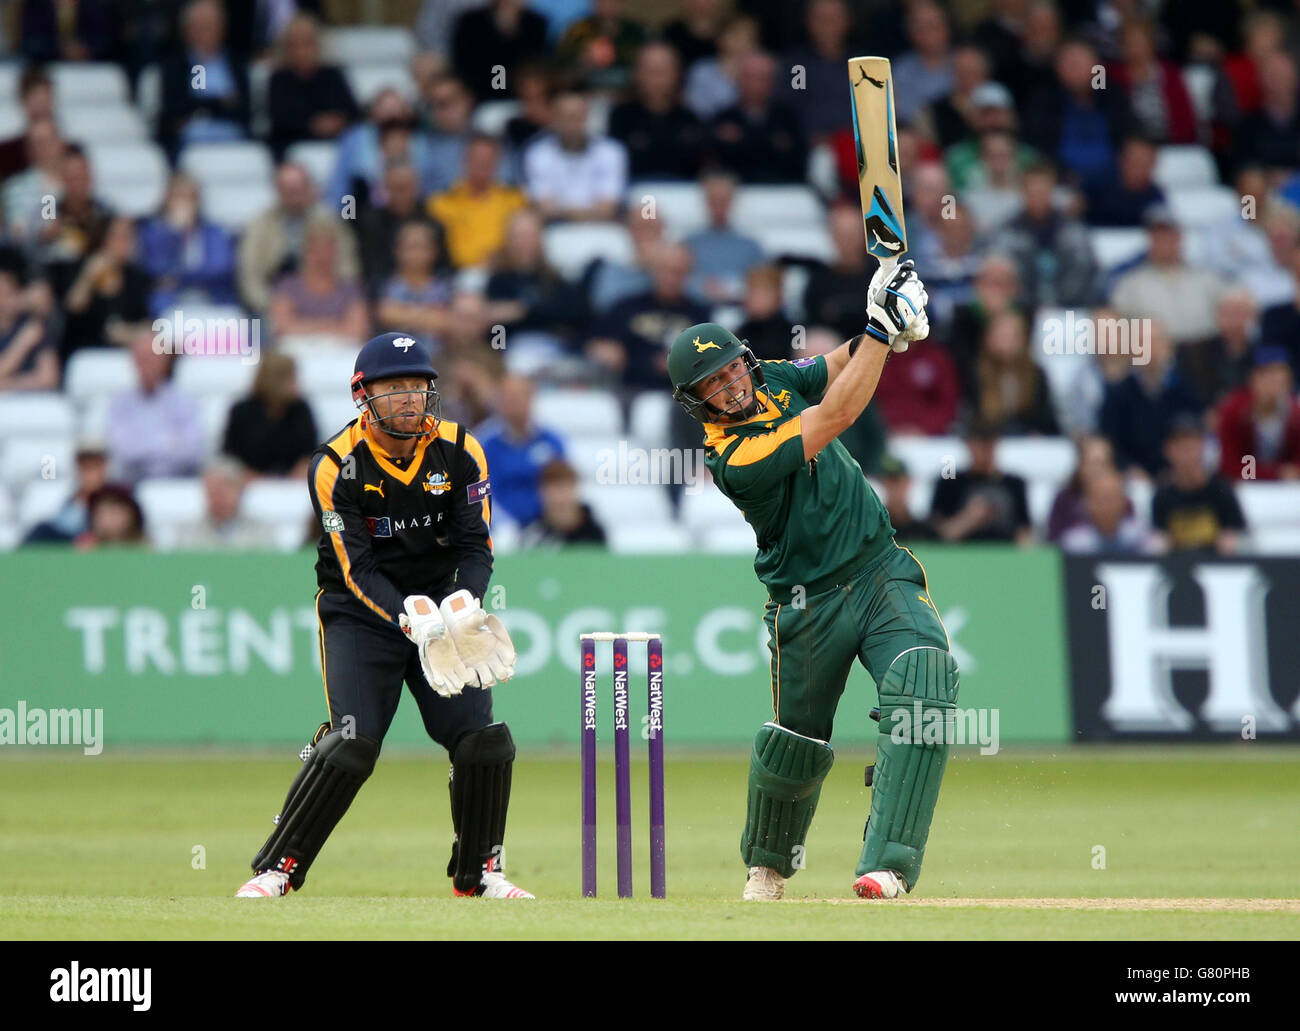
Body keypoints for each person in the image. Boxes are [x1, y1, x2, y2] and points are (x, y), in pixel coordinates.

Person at [665, 259, 957, 903]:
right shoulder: (733, 459)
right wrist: (881, 334)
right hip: (806, 602)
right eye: (715, 384)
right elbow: (834, 416)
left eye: (734, 368)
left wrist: (893, 323)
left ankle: (889, 866)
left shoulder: (769, 377)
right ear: (697, 402)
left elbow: (834, 365)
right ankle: (767, 866)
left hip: (879, 568)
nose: (734, 386)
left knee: (925, 682)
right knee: (797, 743)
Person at [236, 332, 529, 901]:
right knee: (352, 742)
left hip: (443, 612)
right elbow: (355, 568)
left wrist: (464, 600)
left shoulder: (462, 449)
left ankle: (479, 874)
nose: (408, 399)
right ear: (362, 397)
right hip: (361, 615)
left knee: (483, 740)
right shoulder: (334, 464)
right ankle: (279, 868)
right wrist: (404, 615)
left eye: (418, 387)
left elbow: (477, 545)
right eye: (393, 388)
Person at [475, 373, 567, 528]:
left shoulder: (551, 441)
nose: (513, 403)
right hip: (498, 527)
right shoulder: (484, 443)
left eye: (518, 397)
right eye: (507, 398)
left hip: (546, 525)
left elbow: (561, 484)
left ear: (532, 399)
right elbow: (479, 490)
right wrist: (503, 523)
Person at [1152, 415, 1247, 554]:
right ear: (1168, 450)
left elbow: (1238, 533)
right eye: (1180, 447)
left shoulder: (1221, 491)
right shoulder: (1162, 497)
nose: (1187, 453)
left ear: (1202, 447)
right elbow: (1158, 537)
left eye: (1191, 446)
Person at [929, 422, 1033, 545]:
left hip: (1004, 554)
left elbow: (1025, 534)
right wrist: (968, 519)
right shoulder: (949, 483)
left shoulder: (1014, 484)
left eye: (989, 444)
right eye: (980, 444)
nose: (985, 451)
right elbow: (936, 536)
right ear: (969, 445)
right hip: (960, 556)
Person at [222, 353, 319, 478]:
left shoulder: (301, 410)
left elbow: (310, 452)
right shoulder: (242, 411)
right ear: (274, 380)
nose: (297, 383)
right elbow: (229, 455)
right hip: (246, 484)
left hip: (292, 485)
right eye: (291, 378)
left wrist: (303, 468)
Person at [1215, 347, 1300, 482]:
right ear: (1253, 379)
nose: (1274, 381)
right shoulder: (1234, 411)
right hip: (1246, 485)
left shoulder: (1296, 413)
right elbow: (1229, 464)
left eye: (1280, 375)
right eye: (1267, 374)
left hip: (1288, 488)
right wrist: (1276, 474)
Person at [1059, 469, 1155, 554]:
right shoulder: (1074, 544)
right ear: (1087, 504)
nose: (1106, 506)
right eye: (1100, 500)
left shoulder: (1141, 537)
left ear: (1124, 501)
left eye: (1112, 498)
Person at [519, 458, 607, 546]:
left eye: (564, 489)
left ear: (574, 488)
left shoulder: (595, 533)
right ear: (541, 492)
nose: (559, 497)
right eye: (554, 491)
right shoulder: (532, 534)